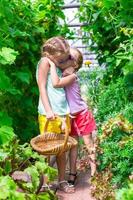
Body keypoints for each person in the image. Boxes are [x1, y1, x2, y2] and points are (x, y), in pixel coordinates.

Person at [50, 47, 97, 186]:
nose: (65, 58)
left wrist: (53, 65)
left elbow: (57, 83)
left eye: (69, 57)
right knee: (73, 146)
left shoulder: (72, 76)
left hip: (82, 114)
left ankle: (94, 173)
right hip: (71, 117)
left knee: (89, 144)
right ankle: (72, 173)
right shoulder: (64, 73)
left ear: (75, 65)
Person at [36, 36, 77, 193]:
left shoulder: (57, 62)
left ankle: (61, 181)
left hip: (63, 111)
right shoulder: (45, 63)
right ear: (49, 54)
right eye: (60, 58)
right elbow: (42, 87)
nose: (63, 60)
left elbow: (74, 60)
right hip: (50, 113)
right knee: (47, 149)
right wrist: (48, 110)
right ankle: (45, 182)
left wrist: (72, 67)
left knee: (62, 149)